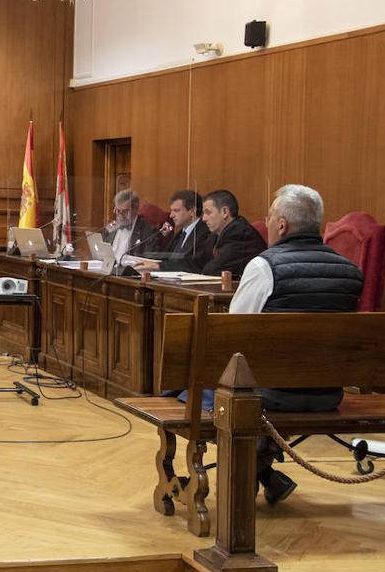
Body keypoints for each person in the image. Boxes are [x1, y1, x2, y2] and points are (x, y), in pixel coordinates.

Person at [231, 184, 363, 505]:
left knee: (212, 390)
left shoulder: (264, 266)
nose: (267, 220)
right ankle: (266, 475)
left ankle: (254, 474)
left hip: (270, 397)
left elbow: (232, 334)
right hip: (327, 394)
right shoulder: (351, 272)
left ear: (281, 225)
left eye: (271, 215)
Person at [131, 190, 211, 272]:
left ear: (192, 211)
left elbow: (192, 264)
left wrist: (158, 266)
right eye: (171, 210)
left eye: (176, 211)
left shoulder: (205, 233)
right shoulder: (180, 234)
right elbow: (168, 258)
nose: (171, 215)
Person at [194, 189, 266, 277]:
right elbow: (198, 262)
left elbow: (212, 270)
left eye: (208, 212)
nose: (203, 219)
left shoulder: (242, 235)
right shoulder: (215, 235)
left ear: (225, 212)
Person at [103, 189, 157, 263]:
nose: (121, 215)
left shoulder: (149, 231)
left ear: (136, 210)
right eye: (118, 210)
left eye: (125, 211)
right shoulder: (111, 228)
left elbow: (149, 262)